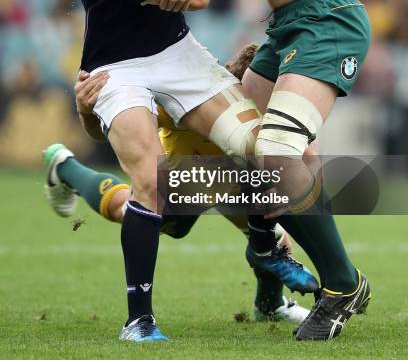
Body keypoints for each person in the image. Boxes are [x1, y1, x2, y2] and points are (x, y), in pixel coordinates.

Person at [56, 0, 316, 342]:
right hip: (119, 69)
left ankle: (266, 267)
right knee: (151, 189)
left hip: (179, 55)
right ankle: (138, 321)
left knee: (262, 150)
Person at [151, 0, 372, 340]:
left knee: (277, 155)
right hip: (287, 25)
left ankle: (344, 285)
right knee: (247, 152)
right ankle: (271, 284)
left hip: (326, 18)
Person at [43, 44, 310, 324]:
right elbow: (105, 133)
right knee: (124, 210)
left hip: (227, 184)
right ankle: (64, 165)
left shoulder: (273, 115)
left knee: (274, 234)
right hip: (176, 188)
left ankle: (270, 305)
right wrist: (87, 112)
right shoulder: (193, 104)